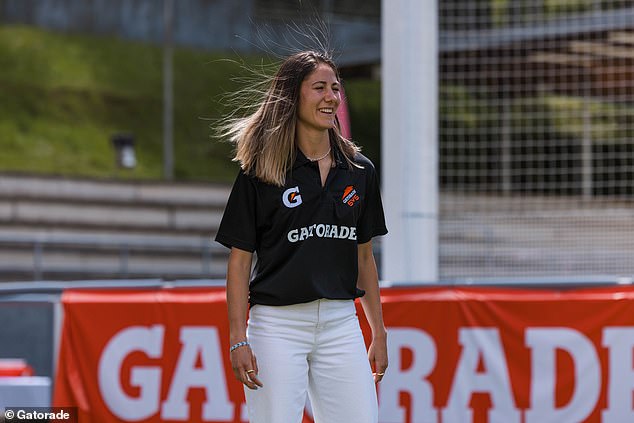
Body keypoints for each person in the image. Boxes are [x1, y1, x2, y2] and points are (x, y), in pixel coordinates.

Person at [215, 50, 388, 423]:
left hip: (341, 324)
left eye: (336, 89)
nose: (331, 97)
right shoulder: (260, 171)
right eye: (320, 88)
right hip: (277, 326)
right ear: (293, 97)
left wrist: (379, 332)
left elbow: (364, 258)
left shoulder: (360, 170)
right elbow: (239, 261)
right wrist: (237, 338)